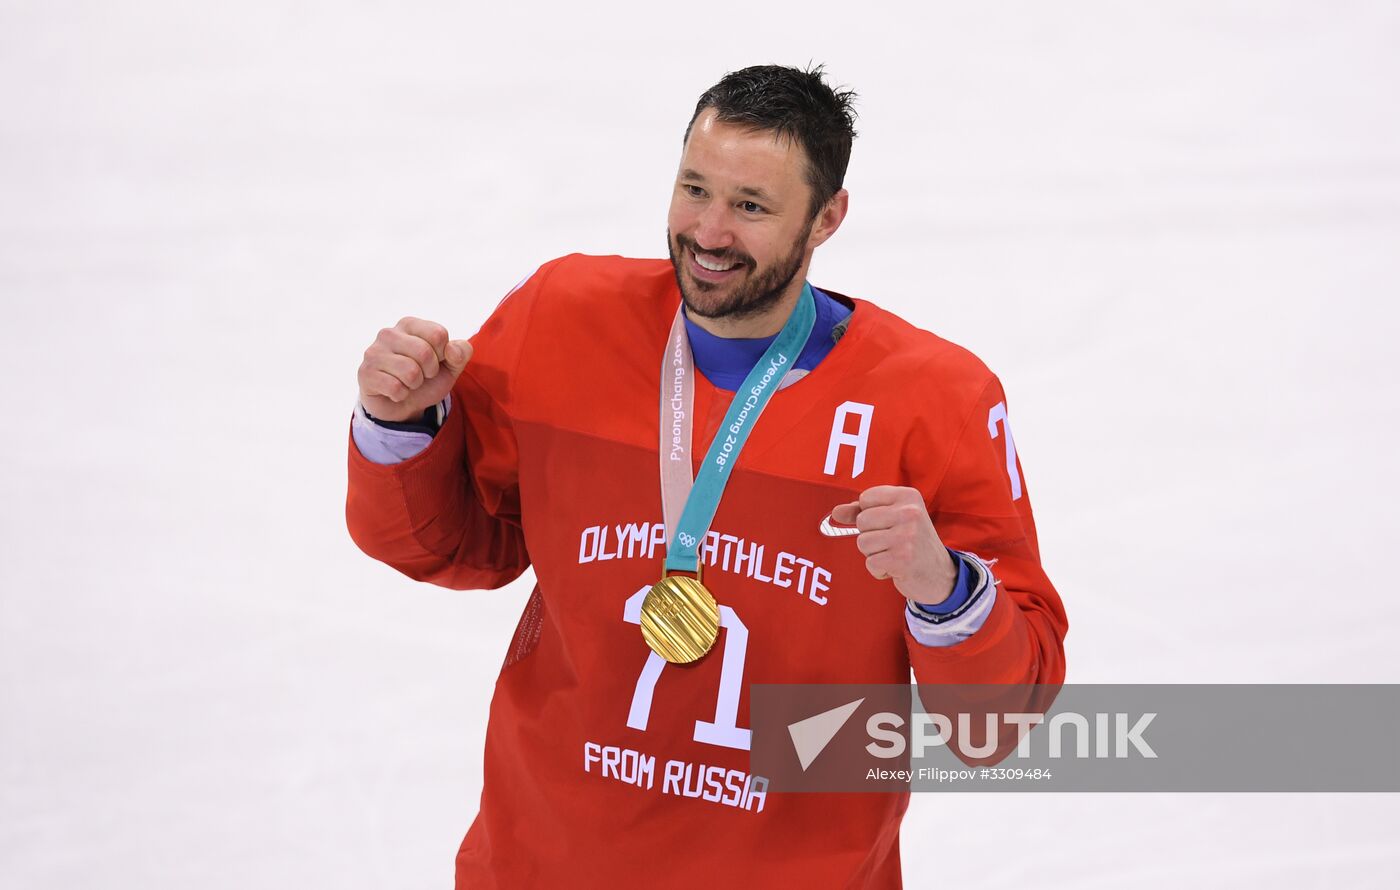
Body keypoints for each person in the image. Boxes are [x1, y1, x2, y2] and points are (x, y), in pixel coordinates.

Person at [346, 64, 1067, 889]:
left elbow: (998, 726)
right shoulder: (563, 315)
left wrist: (944, 589)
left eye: (751, 206)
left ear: (827, 217)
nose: (710, 232)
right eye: (695, 189)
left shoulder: (932, 401)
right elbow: (451, 546)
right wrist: (401, 423)